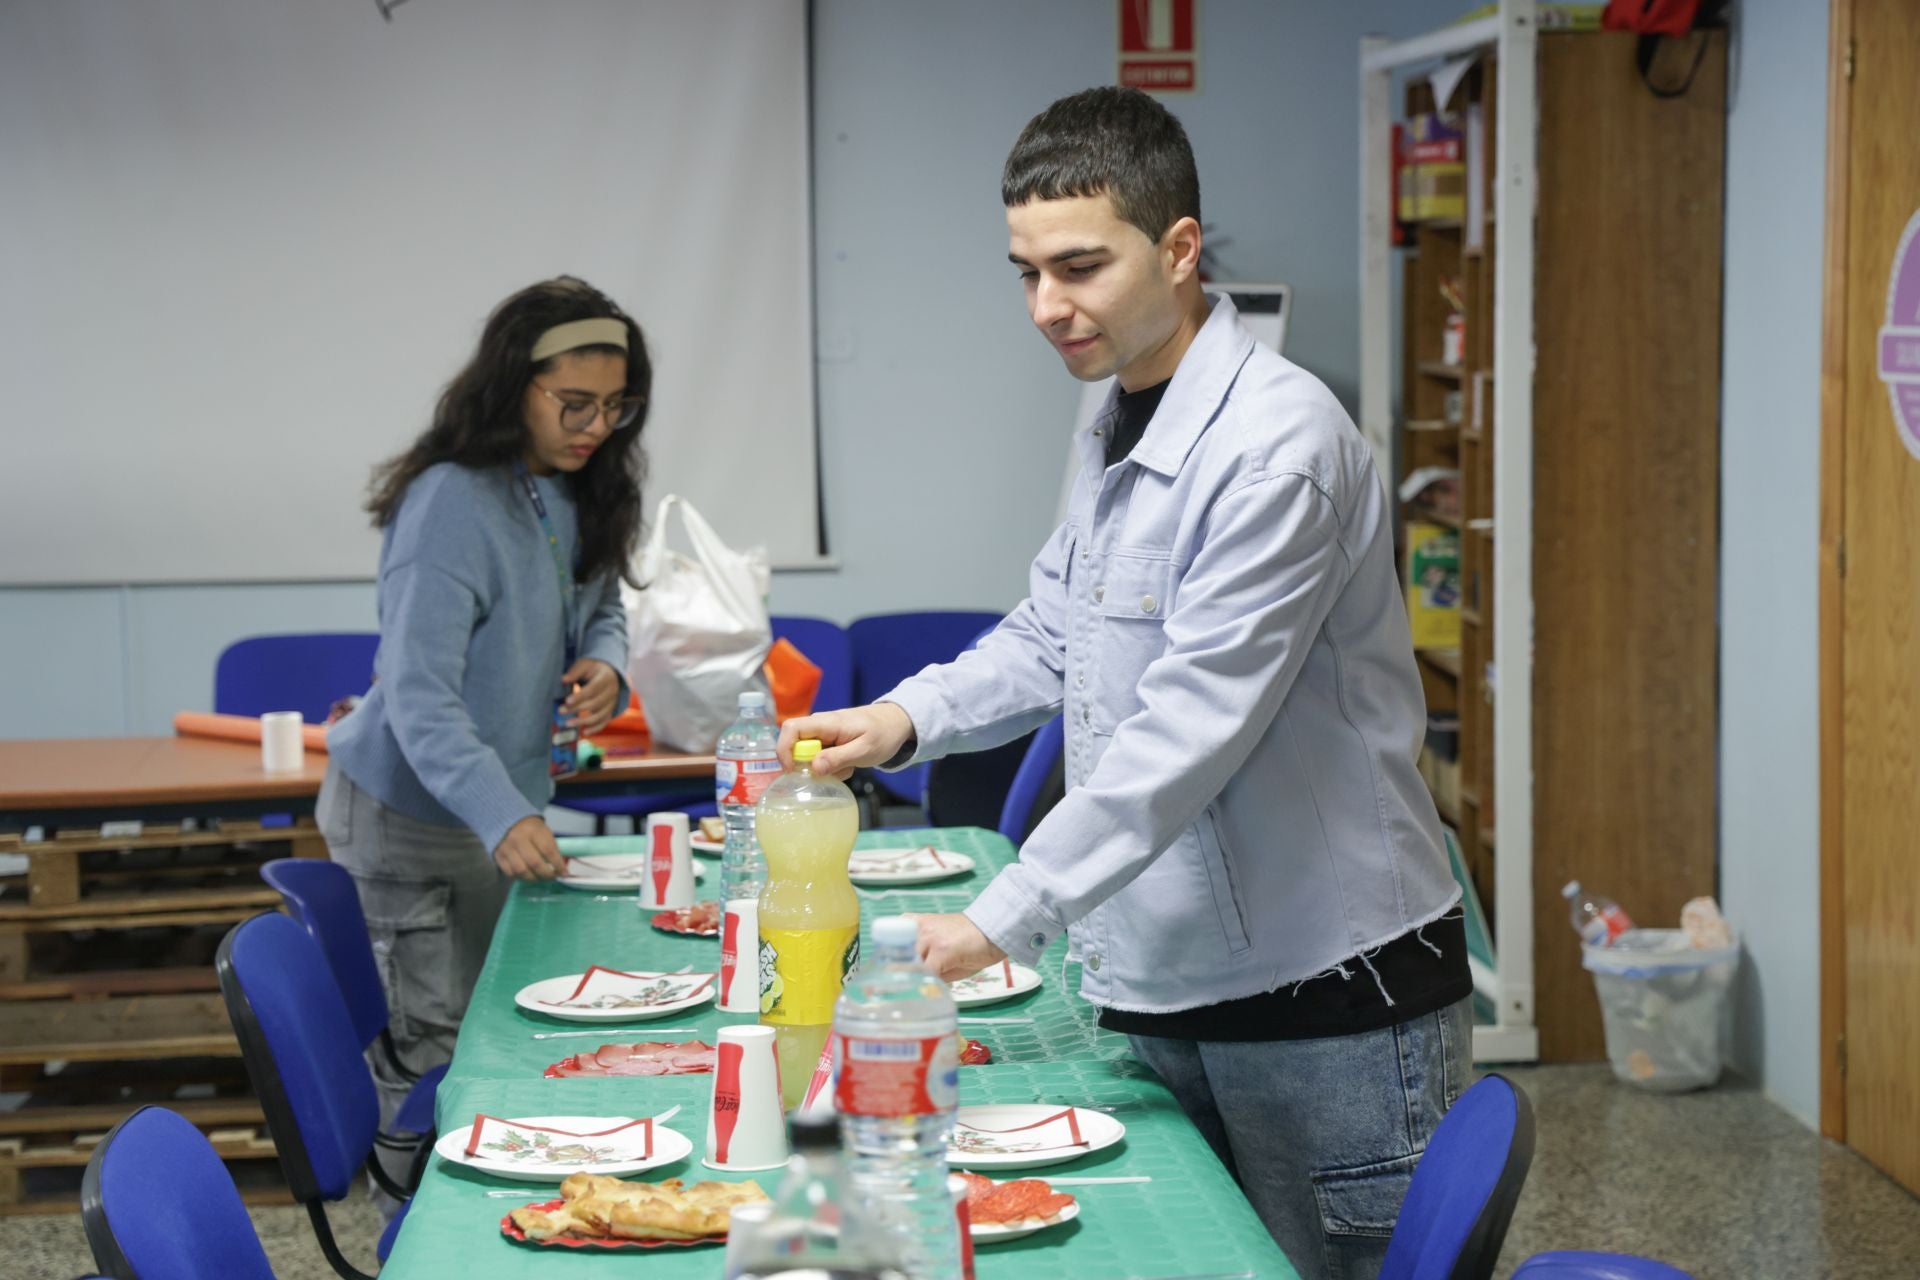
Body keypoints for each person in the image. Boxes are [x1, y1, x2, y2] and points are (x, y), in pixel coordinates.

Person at [779, 89, 1471, 1280]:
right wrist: (904, 717)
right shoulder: (1115, 411)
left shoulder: (1278, 448)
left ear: (1182, 249)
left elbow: (1186, 734)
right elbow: (1056, 626)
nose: (1050, 307)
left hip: (1327, 994)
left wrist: (1002, 916)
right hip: (1173, 974)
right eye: (1026, 272)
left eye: (1082, 266)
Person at [319, 276, 649, 1168]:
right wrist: (504, 813)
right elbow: (420, 695)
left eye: (615, 408)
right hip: (408, 816)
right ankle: (415, 1223)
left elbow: (605, 599)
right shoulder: (453, 502)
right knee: (432, 1039)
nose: (594, 428)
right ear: (514, 389)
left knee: (492, 1025)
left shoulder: (578, 484)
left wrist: (607, 664)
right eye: (573, 405)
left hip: (490, 804)